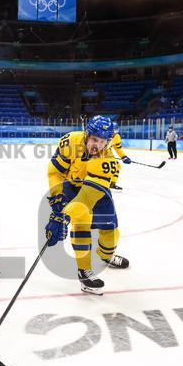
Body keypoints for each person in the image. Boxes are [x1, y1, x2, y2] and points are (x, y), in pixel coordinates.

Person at [45, 115, 129, 295]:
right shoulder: (71, 142)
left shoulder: (107, 161)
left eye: (101, 141)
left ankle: (106, 256)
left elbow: (86, 199)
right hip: (71, 186)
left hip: (94, 190)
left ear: (107, 143)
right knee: (81, 226)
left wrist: (63, 217)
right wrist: (57, 196)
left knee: (110, 230)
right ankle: (84, 271)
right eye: (93, 139)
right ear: (86, 135)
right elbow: (54, 172)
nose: (96, 145)